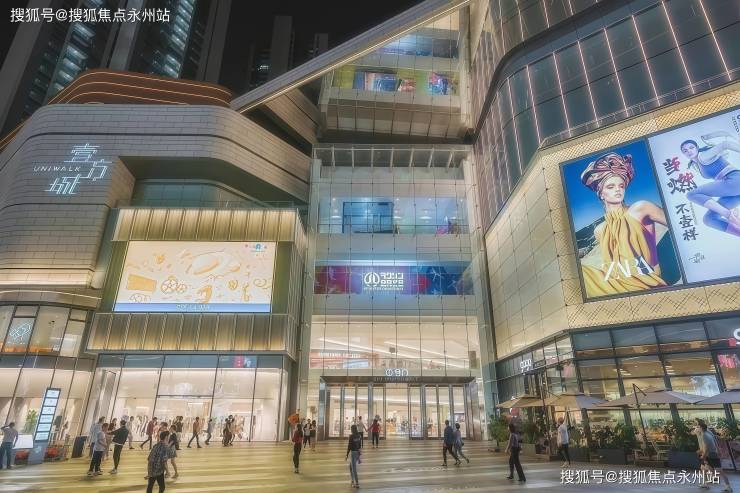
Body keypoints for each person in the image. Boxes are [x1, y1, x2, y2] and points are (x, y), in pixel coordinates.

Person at [579, 152, 670, 297]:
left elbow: (675, 222)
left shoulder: (640, 208)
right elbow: (614, 265)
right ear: (601, 193)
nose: (618, 189)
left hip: (646, 283)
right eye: (610, 186)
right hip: (617, 283)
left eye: (621, 186)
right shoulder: (599, 230)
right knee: (580, 273)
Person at [681, 133, 740, 236]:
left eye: (691, 147)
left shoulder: (703, 156)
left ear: (697, 148)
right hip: (732, 190)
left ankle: (729, 215)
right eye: (685, 150)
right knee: (709, 219)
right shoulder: (697, 165)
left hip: (735, 180)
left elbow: (725, 144)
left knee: (691, 194)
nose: (689, 151)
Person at [698, 422, 732, 492]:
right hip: (710, 455)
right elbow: (714, 442)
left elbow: (707, 448)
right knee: (703, 468)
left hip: (711, 455)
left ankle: (728, 486)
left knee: (720, 471)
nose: (697, 428)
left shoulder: (704, 435)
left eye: (698, 427)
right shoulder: (708, 433)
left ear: (701, 428)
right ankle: (706, 483)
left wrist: (703, 456)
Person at [346, 424, 362, 488]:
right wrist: (359, 456)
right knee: (350, 467)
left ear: (352, 429)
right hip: (357, 453)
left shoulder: (351, 436)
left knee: (354, 469)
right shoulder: (359, 436)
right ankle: (352, 480)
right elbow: (359, 446)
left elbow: (349, 446)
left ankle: (357, 483)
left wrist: (347, 454)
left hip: (353, 453)